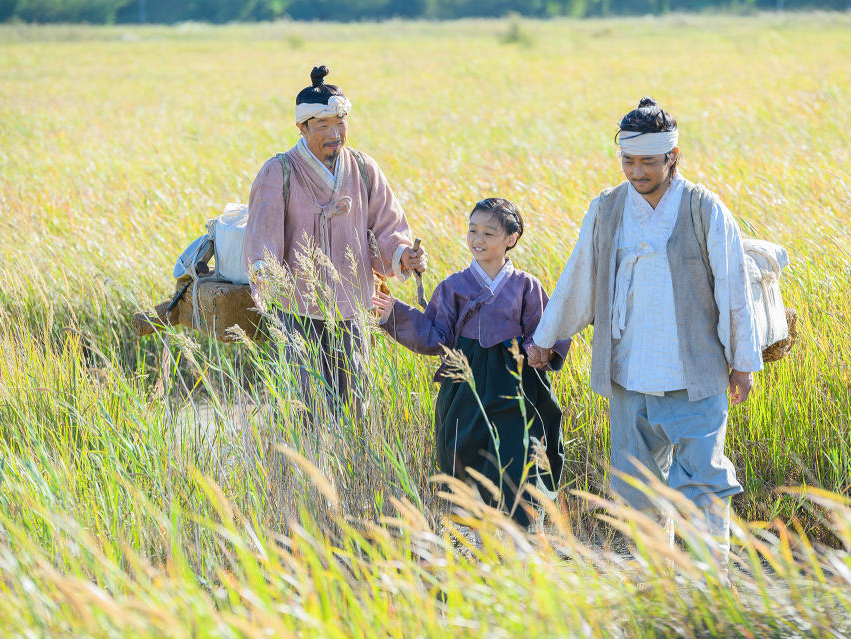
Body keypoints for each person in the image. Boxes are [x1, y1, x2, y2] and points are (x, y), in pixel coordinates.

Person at [526, 98, 763, 562]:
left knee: (702, 484)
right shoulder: (608, 208)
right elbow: (580, 276)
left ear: (673, 157)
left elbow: (733, 288)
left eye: (648, 162)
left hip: (695, 372)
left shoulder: (704, 208)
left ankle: (710, 582)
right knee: (636, 488)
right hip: (629, 370)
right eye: (628, 161)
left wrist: (743, 363)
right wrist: (544, 338)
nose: (636, 172)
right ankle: (658, 583)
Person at [243, 65, 426, 421]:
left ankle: (351, 473)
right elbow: (262, 237)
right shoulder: (278, 172)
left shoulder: (363, 167)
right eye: (323, 125)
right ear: (302, 127)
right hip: (297, 309)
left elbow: (388, 225)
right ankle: (304, 473)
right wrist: (264, 275)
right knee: (304, 406)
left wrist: (405, 253)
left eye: (340, 122)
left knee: (356, 404)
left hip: (353, 307)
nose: (335, 133)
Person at [372, 198, 571, 527]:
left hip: (516, 386)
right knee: (464, 452)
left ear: (511, 238)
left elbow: (547, 329)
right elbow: (434, 335)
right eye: (472, 230)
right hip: (467, 385)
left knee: (522, 453)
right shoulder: (454, 287)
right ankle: (468, 537)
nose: (477, 239)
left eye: (489, 233)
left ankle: (525, 534)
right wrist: (395, 313)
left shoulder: (526, 286)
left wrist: (541, 349)